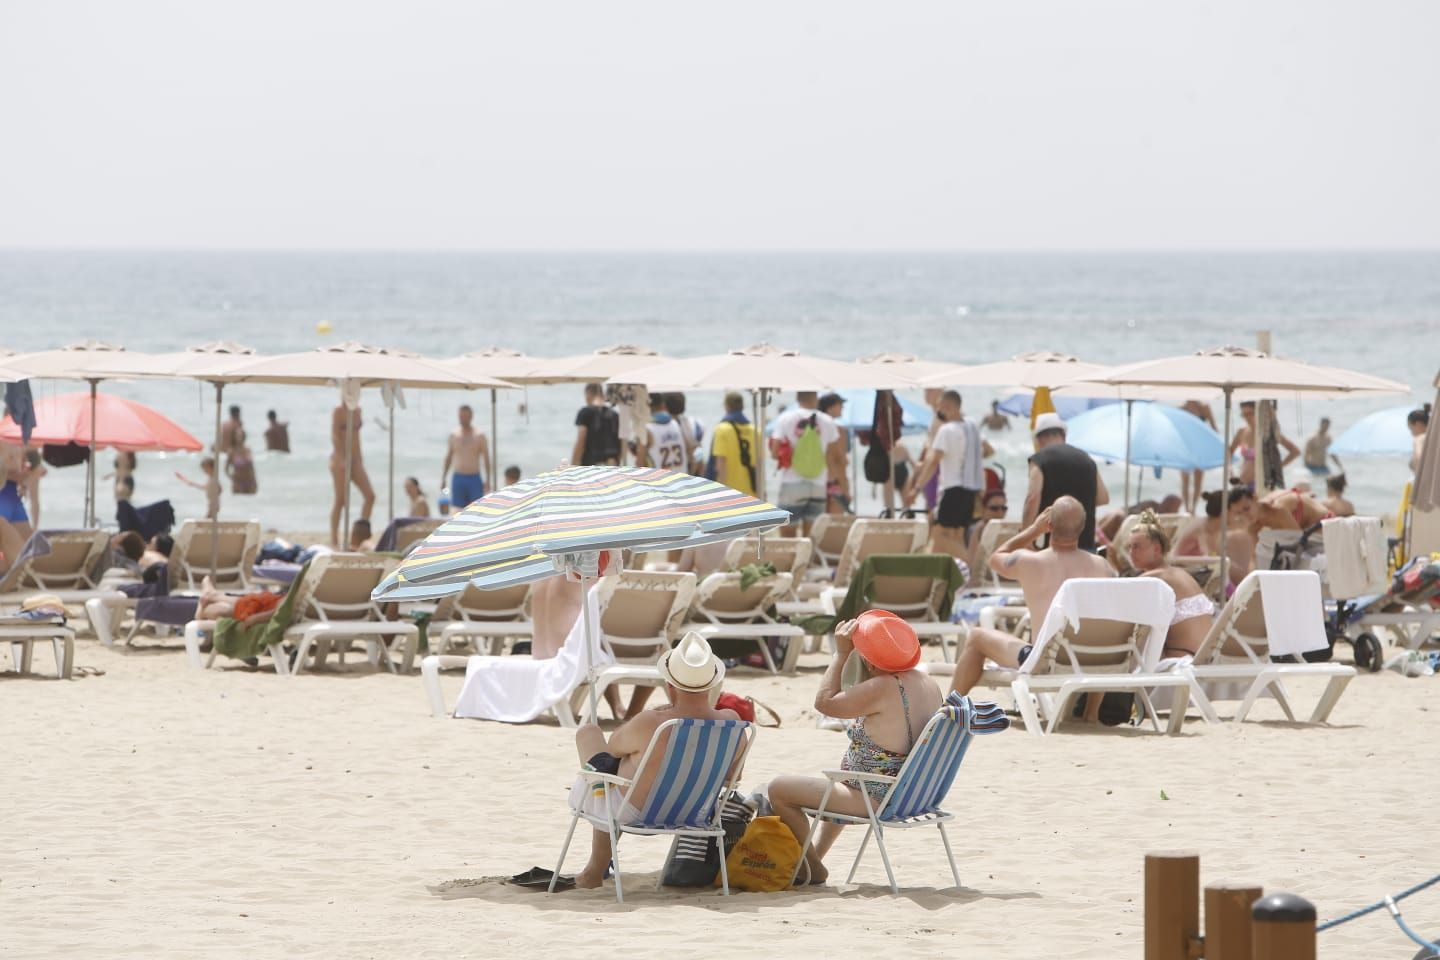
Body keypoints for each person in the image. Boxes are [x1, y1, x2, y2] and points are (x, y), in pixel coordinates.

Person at [768, 614, 942, 886]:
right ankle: (817, 857)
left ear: (870, 660)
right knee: (844, 773)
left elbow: (825, 703)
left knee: (779, 789)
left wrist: (840, 654)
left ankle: (811, 867)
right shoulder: (926, 682)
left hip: (876, 797)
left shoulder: (883, 687)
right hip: (913, 794)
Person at [565, 634, 741, 890]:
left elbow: (613, 748)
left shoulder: (652, 723)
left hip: (635, 811)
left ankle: (595, 869)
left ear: (670, 684)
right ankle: (597, 865)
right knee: (620, 773)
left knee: (590, 738)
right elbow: (732, 778)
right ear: (713, 683)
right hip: (697, 813)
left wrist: (660, 715)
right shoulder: (733, 723)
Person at [949, 497, 1112, 698]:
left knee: (976, 637)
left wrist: (1034, 530)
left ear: (1049, 525)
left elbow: (996, 558)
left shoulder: (1029, 562)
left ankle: (949, 708)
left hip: (1045, 661)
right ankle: (1091, 715)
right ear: (1083, 527)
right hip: (1095, 657)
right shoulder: (1102, 566)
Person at [905, 390, 992, 557]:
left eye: (940, 407)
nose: (939, 411)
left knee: (938, 535)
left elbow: (933, 461)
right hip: (970, 490)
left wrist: (916, 488)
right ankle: (960, 576)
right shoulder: (972, 427)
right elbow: (988, 451)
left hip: (952, 489)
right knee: (956, 535)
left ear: (947, 407)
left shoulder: (946, 430)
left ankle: (968, 566)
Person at [1116, 510, 1213, 659]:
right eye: (1129, 547)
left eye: (1137, 547)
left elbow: (1122, 618)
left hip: (1181, 663)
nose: (1131, 553)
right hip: (1206, 659)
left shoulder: (1153, 580)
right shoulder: (1182, 574)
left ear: (1156, 549)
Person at [1025, 412, 1109, 552]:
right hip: (1086, 547)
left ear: (1039, 440)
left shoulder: (1039, 459)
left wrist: (1027, 536)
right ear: (1063, 436)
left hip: (1055, 548)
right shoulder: (1086, 459)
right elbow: (1103, 498)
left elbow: (1032, 498)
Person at [769, 391, 845, 536]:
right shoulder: (827, 421)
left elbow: (774, 453)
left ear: (797, 398)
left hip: (792, 483)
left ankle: (792, 559)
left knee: (788, 536)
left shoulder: (785, 418)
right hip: (818, 484)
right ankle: (807, 559)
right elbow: (837, 456)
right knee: (810, 538)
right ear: (816, 398)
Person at [1175, 485, 1256, 589]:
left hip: (1195, 568)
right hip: (1186, 570)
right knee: (1230, 569)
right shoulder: (1204, 528)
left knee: (1233, 568)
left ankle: (1242, 591)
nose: (1236, 515)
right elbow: (1211, 556)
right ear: (1225, 512)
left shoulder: (1211, 525)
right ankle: (1238, 595)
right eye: (1235, 512)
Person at [330, 403, 376, 548]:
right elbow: (335, 436)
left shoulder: (358, 410)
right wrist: (341, 458)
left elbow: (357, 437)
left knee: (370, 496)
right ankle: (334, 539)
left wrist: (360, 460)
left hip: (356, 460)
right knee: (341, 500)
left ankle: (359, 535)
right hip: (340, 459)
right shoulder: (338, 411)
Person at [1229, 401, 1299, 489]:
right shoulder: (1241, 432)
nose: (1247, 418)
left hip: (1262, 483)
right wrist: (1231, 472)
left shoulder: (1268, 433)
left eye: (1250, 413)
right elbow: (1229, 453)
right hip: (1242, 483)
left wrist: (1278, 467)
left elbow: (1295, 451)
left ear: (1259, 413)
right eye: (1244, 415)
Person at [708, 391, 758, 497]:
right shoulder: (756, 431)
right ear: (742, 406)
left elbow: (720, 463)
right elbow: (760, 464)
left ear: (726, 406)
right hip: (752, 493)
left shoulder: (722, 429)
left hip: (731, 494)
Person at [441, 404, 489, 510]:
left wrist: (488, 479)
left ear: (471, 417)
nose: (463, 419)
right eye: (461, 416)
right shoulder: (454, 435)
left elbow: (486, 459)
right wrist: (443, 478)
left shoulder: (479, 436)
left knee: (476, 510)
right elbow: (449, 457)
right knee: (458, 511)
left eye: (465, 416)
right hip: (458, 478)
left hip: (474, 478)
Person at [1180, 400, 1217, 514]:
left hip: (1200, 448)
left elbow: (1214, 429)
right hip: (1186, 448)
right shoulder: (1182, 408)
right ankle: (1186, 508)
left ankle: (1193, 509)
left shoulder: (1204, 407)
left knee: (1198, 481)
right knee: (1185, 481)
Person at [572, 383, 621, 467]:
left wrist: (573, 465)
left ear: (589, 394)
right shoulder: (614, 415)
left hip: (590, 464)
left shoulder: (585, 412)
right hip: (611, 464)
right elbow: (620, 441)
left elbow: (581, 439)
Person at [633, 392, 686, 470]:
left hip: (661, 479)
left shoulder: (647, 429)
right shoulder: (675, 423)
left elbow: (639, 463)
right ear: (663, 404)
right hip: (681, 477)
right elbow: (689, 452)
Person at [818, 393, 850, 513]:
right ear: (830, 408)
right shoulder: (839, 430)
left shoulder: (812, 427)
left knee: (817, 525)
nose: (843, 407)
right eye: (840, 404)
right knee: (835, 524)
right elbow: (839, 460)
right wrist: (845, 489)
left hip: (816, 480)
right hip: (834, 482)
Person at [666, 392, 705, 475]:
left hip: (669, 472)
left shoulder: (662, 426)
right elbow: (698, 452)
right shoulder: (693, 423)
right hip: (688, 470)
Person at [0, 443, 32, 536]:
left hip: (13, 494)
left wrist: (22, 482)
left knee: (26, 545)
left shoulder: (17, 437)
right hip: (3, 493)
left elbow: (19, 466)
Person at [20, 449, 45, 529]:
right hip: (27, 455)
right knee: (31, 497)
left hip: (28, 455)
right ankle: (34, 527)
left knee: (32, 497)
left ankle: (34, 527)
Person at [1410, 405, 1432, 474]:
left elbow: (1420, 458)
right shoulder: (1434, 436)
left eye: (1411, 428)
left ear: (1417, 424)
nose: (1412, 433)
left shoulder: (1419, 438)